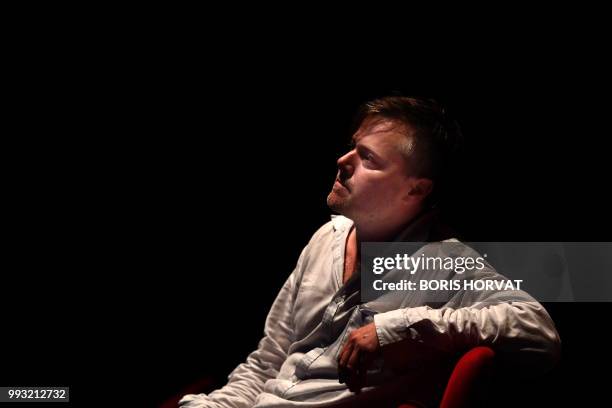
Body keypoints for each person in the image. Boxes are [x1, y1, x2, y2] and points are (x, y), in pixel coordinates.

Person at [179, 96, 561, 408]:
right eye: (352, 148)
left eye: (368, 158)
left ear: (416, 190)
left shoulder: (444, 261)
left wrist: (398, 327)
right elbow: (268, 362)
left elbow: (537, 330)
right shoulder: (326, 238)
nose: (343, 162)